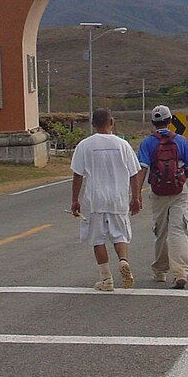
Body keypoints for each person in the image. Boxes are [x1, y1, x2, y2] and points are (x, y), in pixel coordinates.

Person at [70, 108, 143, 292]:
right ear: (112, 122)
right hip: (118, 198)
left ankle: (106, 279)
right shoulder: (123, 145)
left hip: (95, 198)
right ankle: (123, 261)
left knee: (97, 238)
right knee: (120, 234)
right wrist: (135, 197)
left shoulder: (85, 145)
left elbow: (78, 175)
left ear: (93, 124)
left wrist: (75, 200)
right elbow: (135, 173)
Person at [137, 104, 188, 289]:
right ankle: (181, 272)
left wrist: (136, 194)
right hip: (179, 191)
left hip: (158, 192)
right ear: (170, 121)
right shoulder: (180, 140)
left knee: (160, 231)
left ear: (152, 122)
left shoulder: (147, 143)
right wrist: (180, 180)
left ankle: (160, 271)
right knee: (179, 230)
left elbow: (143, 168)